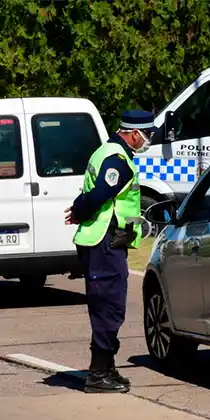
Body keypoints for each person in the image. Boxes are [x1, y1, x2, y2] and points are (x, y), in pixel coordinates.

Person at [64, 110, 156, 393]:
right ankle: (98, 372)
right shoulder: (118, 160)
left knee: (108, 303)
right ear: (133, 132)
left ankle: (106, 367)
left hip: (106, 240)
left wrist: (79, 209)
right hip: (104, 240)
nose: (148, 139)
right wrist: (80, 210)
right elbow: (101, 192)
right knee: (109, 305)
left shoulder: (105, 151)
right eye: (147, 134)